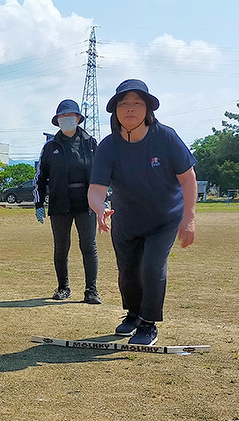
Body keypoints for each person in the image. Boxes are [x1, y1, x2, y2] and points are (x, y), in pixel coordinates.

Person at [88, 79, 197, 346]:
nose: (130, 109)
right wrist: (99, 208)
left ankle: (148, 324)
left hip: (165, 217)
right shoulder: (108, 146)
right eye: (124, 104)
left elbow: (188, 178)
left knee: (151, 267)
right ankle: (133, 314)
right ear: (115, 111)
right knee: (127, 273)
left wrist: (189, 218)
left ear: (148, 108)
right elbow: (96, 189)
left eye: (137, 103)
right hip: (126, 219)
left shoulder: (166, 138)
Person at [34, 99, 100, 304]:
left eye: (70, 116)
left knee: (89, 246)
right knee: (61, 247)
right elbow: (40, 177)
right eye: (62, 117)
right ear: (57, 121)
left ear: (78, 118)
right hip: (60, 202)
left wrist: (103, 199)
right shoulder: (50, 147)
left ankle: (91, 290)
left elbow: (102, 174)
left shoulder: (91, 143)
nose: (66, 120)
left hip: (86, 202)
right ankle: (63, 287)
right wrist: (38, 204)